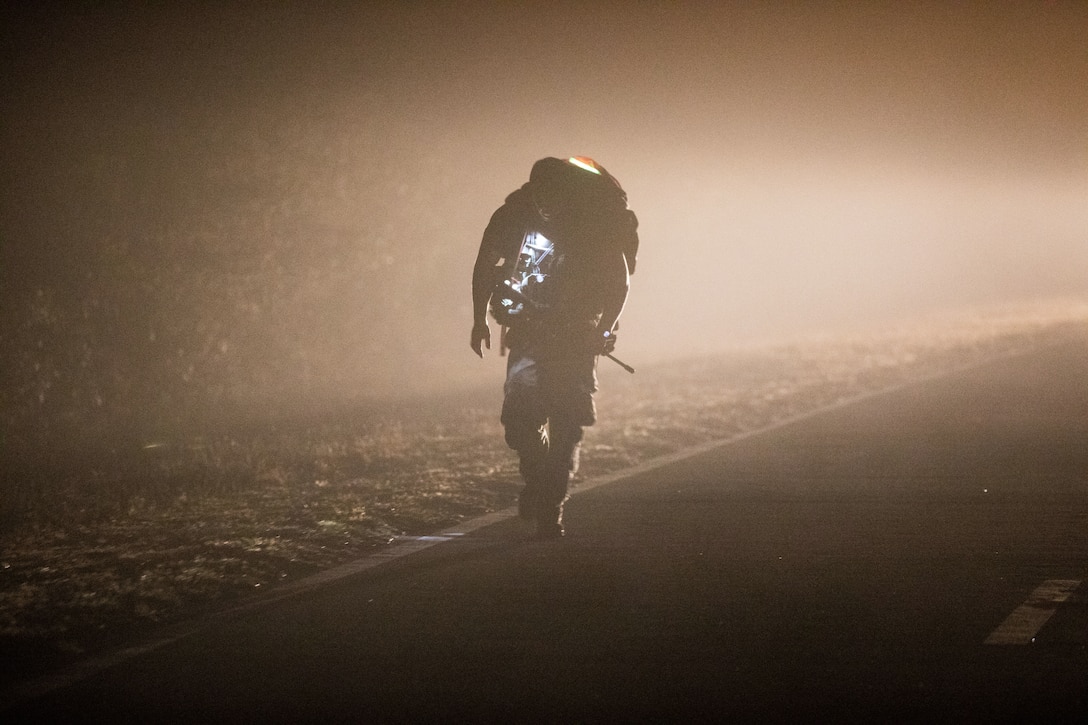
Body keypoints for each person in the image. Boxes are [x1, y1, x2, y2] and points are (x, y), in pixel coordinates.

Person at [470, 156, 639, 538]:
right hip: (529, 330)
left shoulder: (596, 223)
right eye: (541, 195)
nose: (547, 203)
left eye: (554, 195)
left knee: (568, 421)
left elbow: (620, 280)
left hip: (578, 334)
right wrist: (479, 319)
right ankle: (539, 479)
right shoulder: (516, 214)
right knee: (519, 421)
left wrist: (605, 328)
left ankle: (551, 504)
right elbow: (485, 264)